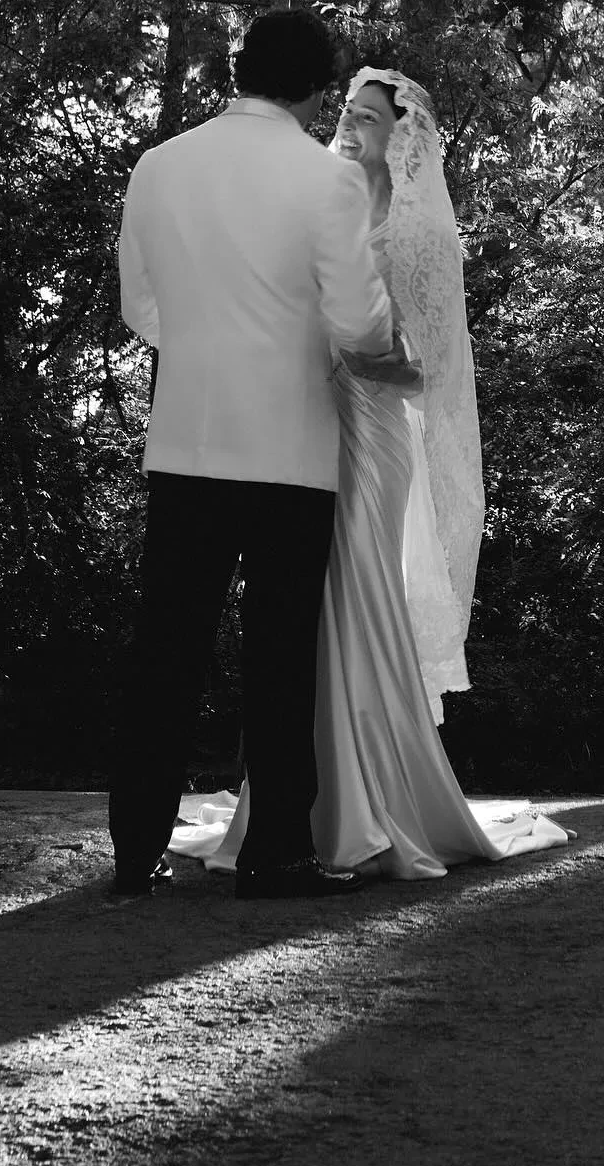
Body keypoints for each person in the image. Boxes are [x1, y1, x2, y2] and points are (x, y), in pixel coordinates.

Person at [169, 68, 571, 880]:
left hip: (373, 430)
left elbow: (434, 371)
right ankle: (297, 807)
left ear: (405, 135)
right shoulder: (326, 205)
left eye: (369, 118)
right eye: (346, 113)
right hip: (302, 424)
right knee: (306, 610)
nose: (351, 127)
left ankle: (373, 799)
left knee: (358, 595)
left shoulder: (421, 236)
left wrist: (366, 360)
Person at [110, 11, 398, 900]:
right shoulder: (328, 179)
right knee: (280, 658)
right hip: (289, 449)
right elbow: (357, 322)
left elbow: (138, 306)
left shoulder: (159, 166)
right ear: (316, 88)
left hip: (186, 443)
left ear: (239, 73)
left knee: (165, 651)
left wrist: (204, 350)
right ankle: (277, 855)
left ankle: (134, 851)